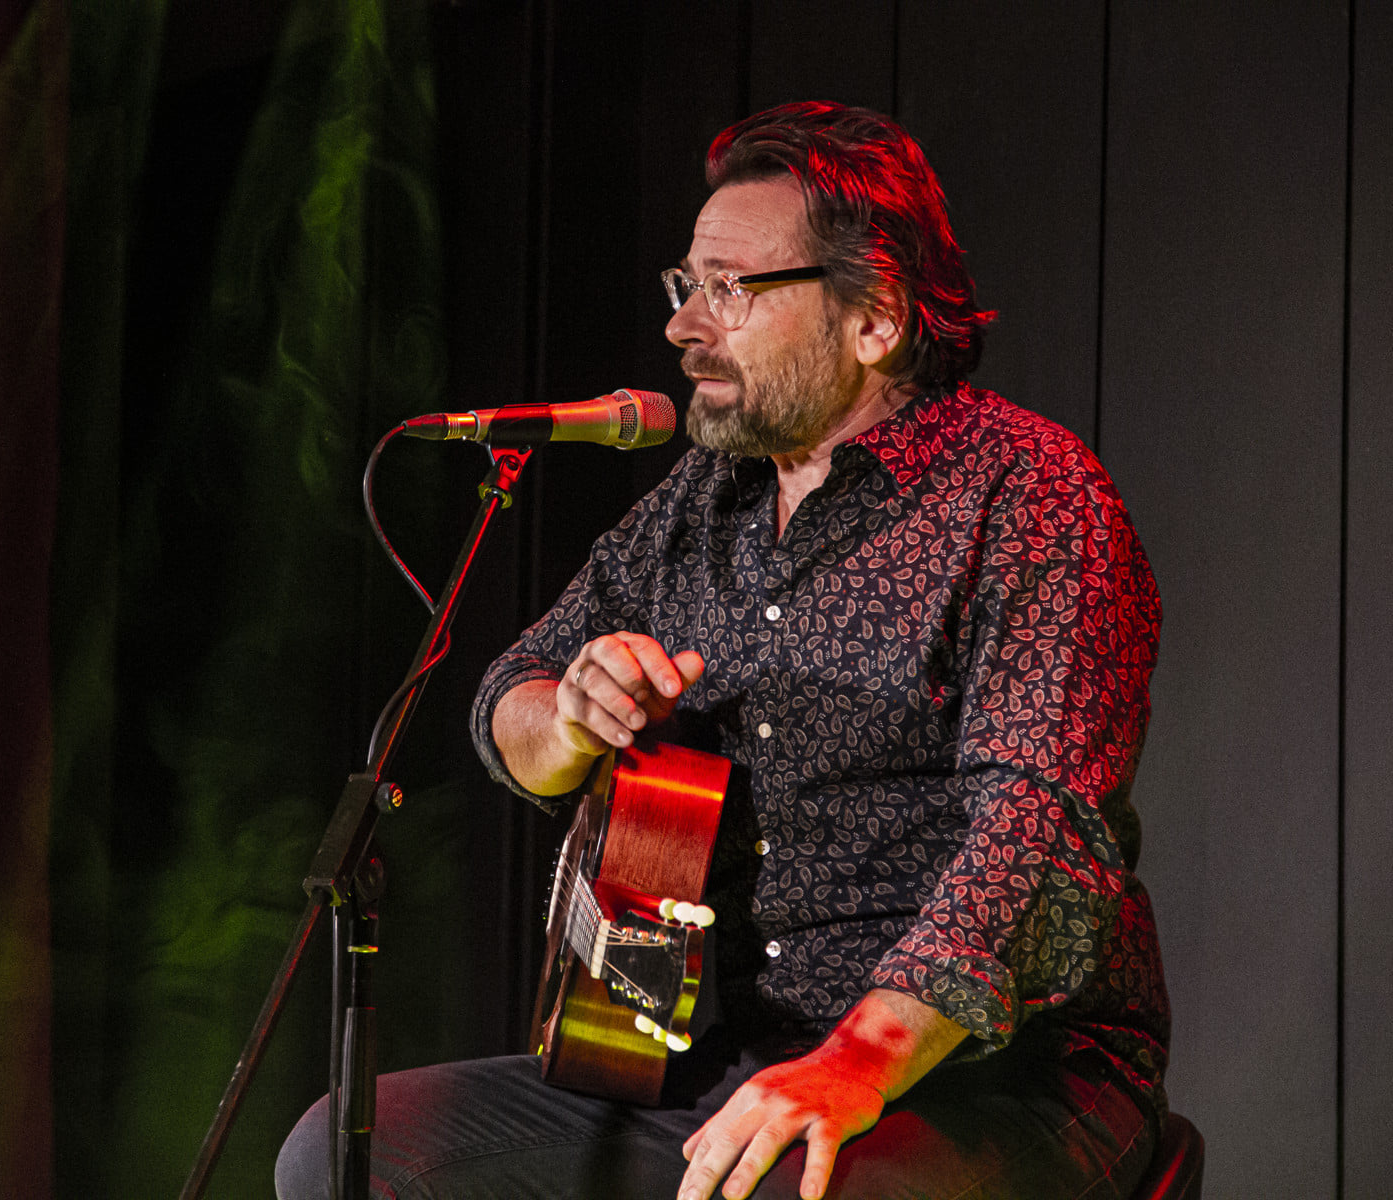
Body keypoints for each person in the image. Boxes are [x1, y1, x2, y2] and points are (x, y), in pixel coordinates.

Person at [277, 100, 1169, 1200]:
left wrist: (854, 1063)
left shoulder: (1031, 496)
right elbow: (509, 696)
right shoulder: (700, 502)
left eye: (731, 288)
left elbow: (1039, 834)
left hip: (999, 1081)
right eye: (686, 286)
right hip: (706, 1060)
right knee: (349, 1157)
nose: (684, 327)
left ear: (876, 320)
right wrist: (569, 720)